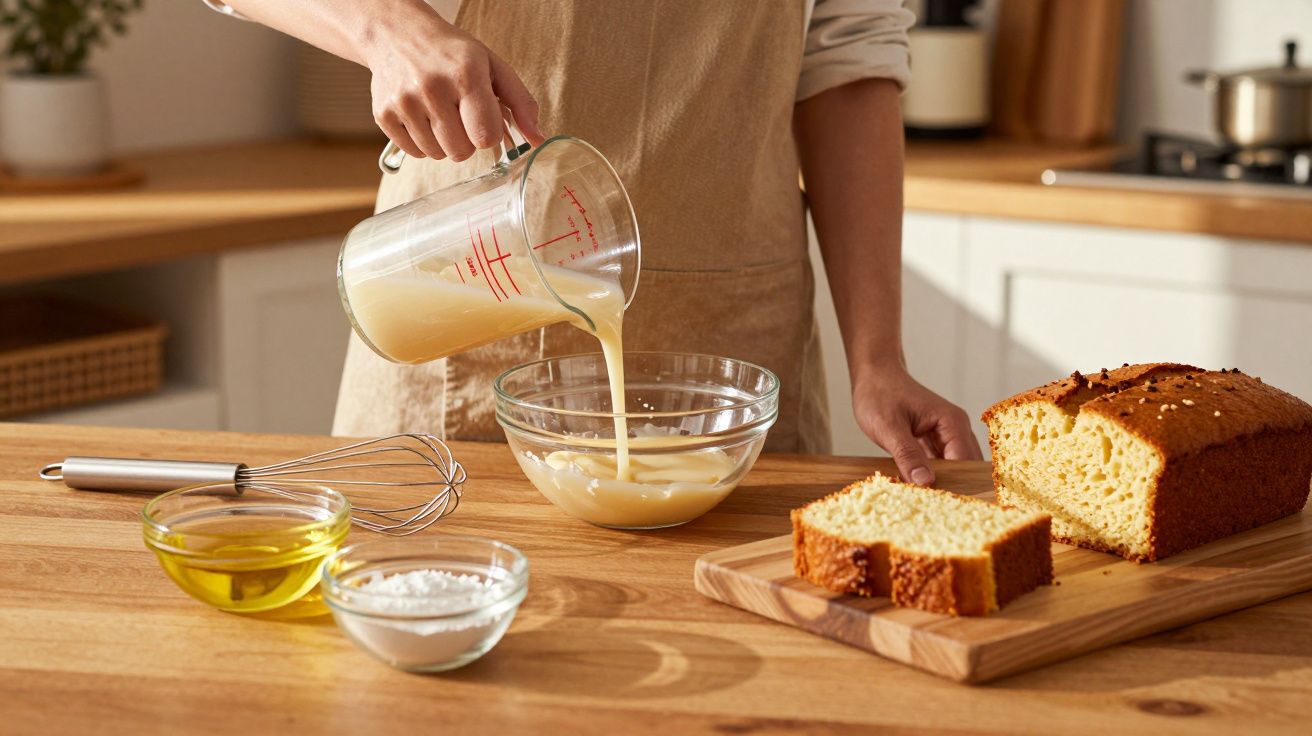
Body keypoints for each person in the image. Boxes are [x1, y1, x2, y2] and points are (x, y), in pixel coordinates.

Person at [203, 0, 982, 484]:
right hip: (463, 305)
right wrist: (390, 28)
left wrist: (879, 360)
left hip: (736, 345)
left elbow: (848, 61)